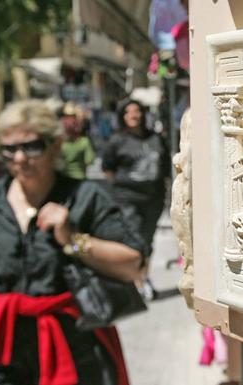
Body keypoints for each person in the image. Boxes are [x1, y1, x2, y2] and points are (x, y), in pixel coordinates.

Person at [0, 100, 146, 385]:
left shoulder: (85, 197)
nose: (19, 158)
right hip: (2, 348)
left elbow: (133, 263)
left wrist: (72, 240)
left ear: (55, 146)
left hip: (72, 347)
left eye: (31, 147)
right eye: (8, 149)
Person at [102, 99, 169, 299]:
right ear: (122, 116)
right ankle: (137, 280)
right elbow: (108, 170)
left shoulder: (156, 138)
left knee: (147, 240)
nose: (134, 115)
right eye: (128, 112)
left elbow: (165, 166)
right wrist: (124, 186)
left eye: (137, 110)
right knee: (134, 238)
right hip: (128, 198)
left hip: (154, 198)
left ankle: (143, 277)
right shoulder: (117, 141)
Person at [59, 102, 96, 180]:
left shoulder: (58, 143)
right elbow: (89, 160)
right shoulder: (84, 142)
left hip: (62, 180)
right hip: (80, 178)